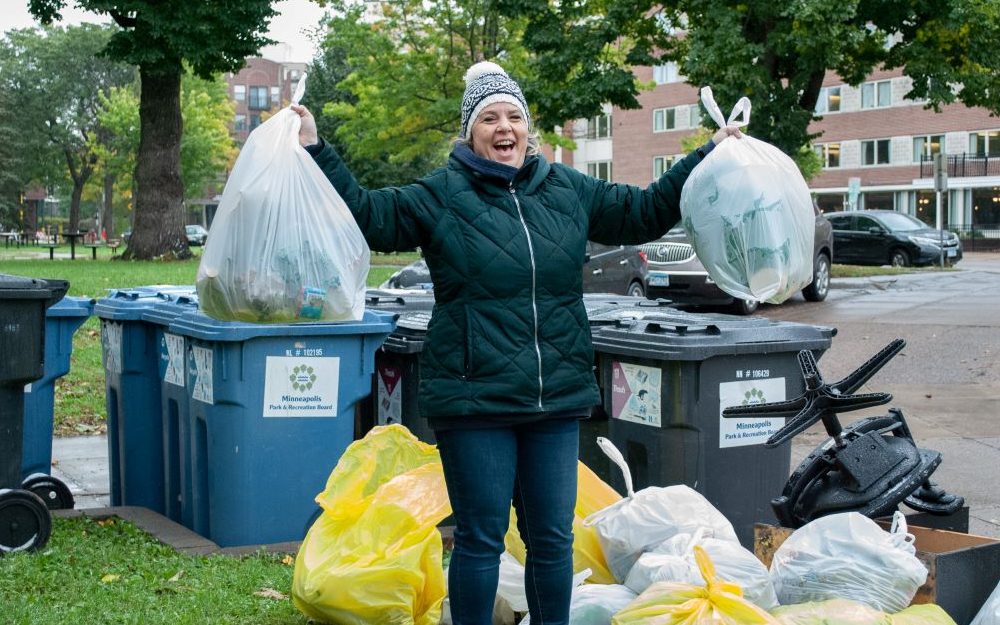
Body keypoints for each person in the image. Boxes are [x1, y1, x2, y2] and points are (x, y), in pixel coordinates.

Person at [292, 61, 741, 625]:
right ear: (469, 132)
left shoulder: (567, 189)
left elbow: (643, 212)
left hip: (554, 393)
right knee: (480, 537)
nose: (503, 127)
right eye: (488, 117)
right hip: (474, 395)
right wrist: (316, 148)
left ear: (528, 127)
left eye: (513, 116)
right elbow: (370, 215)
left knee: (551, 538)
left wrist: (707, 156)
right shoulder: (441, 194)